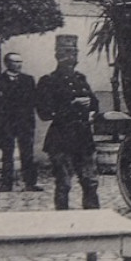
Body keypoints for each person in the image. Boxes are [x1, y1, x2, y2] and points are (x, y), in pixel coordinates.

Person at [35, 34, 100, 210]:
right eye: (66, 52)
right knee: (64, 183)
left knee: (91, 182)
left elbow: (95, 102)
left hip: (83, 138)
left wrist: (91, 107)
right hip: (61, 140)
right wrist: (71, 105)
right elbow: (45, 112)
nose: (71, 57)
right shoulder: (48, 81)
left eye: (74, 52)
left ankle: (94, 219)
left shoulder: (81, 79)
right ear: (57, 55)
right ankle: (63, 219)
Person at [0, 51, 41, 192]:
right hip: (6, 122)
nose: (19, 64)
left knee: (27, 152)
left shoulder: (28, 80)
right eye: (15, 61)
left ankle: (30, 182)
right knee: (7, 153)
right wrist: (0, 111)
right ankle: (6, 183)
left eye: (20, 61)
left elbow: (34, 99)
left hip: (25, 121)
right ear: (7, 63)